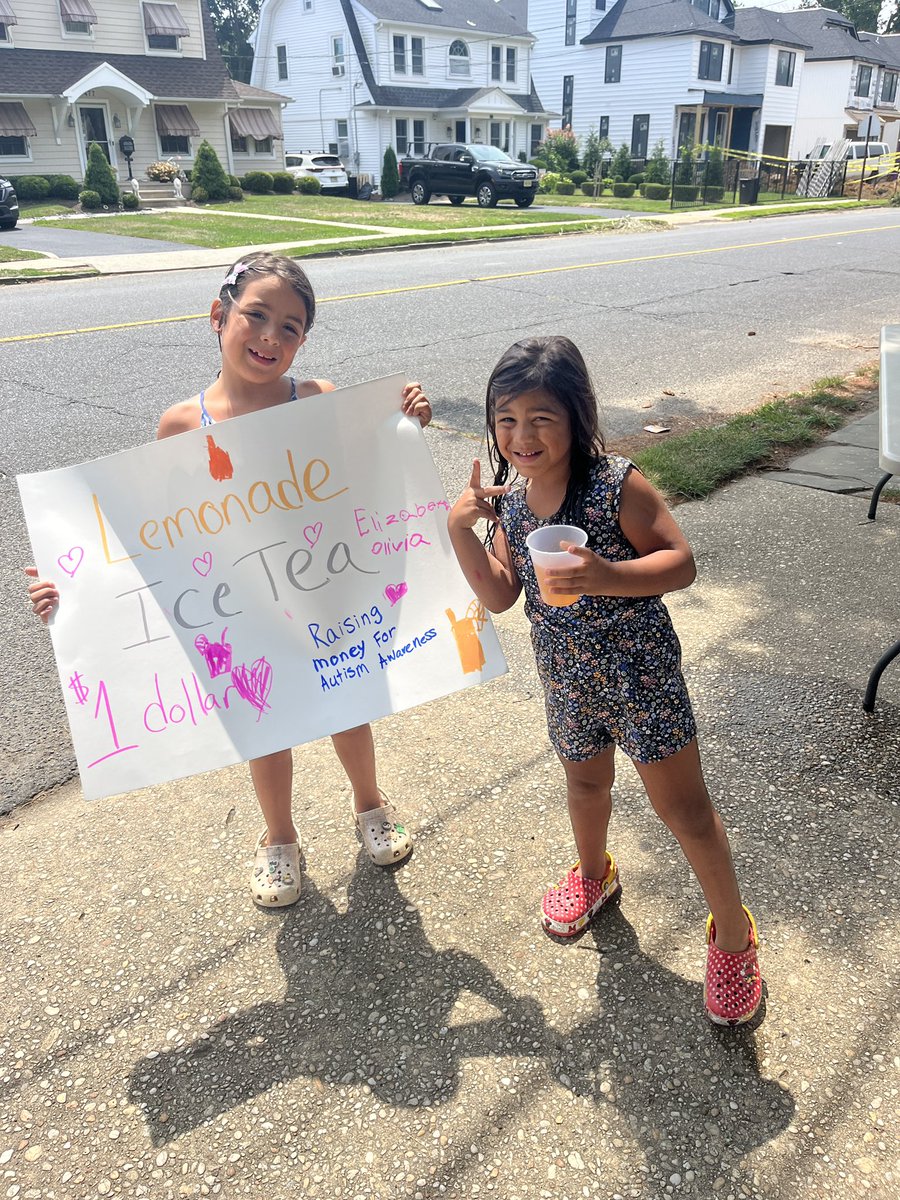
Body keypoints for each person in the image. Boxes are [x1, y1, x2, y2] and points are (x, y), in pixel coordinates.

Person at [26, 251, 432, 912]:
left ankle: (370, 804)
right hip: (241, 607)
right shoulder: (183, 424)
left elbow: (367, 465)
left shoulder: (317, 400)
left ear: (304, 342)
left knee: (348, 704)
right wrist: (73, 587)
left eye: (292, 327)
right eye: (257, 316)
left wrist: (403, 421)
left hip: (321, 588)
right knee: (266, 724)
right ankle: (279, 837)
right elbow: (149, 531)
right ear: (219, 317)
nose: (271, 336)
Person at [447, 335, 761, 1026]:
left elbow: (680, 562)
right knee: (586, 786)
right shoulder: (515, 501)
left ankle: (734, 940)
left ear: (576, 414)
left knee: (686, 813)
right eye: (505, 418)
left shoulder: (616, 484)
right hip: (565, 679)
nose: (521, 435)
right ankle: (594, 875)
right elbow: (501, 595)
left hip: (640, 677)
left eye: (540, 418)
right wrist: (460, 530)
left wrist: (608, 577)